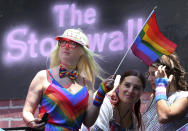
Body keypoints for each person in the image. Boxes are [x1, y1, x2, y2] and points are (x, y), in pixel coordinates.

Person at [22, 28, 115, 130]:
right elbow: (27, 111)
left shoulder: (86, 84)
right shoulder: (43, 76)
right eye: (63, 42)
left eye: (72, 44)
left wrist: (101, 94)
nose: (66, 46)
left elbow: (88, 122)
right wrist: (32, 122)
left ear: (82, 51)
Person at [81, 70, 146, 131]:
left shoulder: (135, 120)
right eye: (127, 85)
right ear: (119, 85)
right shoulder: (105, 103)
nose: (130, 91)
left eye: (136, 88)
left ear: (142, 92)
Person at [142, 53, 188, 130]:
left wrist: (161, 85)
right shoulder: (156, 98)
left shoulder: (184, 97)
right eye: (148, 74)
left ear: (170, 75)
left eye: (154, 74)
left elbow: (164, 116)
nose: (149, 78)